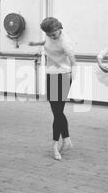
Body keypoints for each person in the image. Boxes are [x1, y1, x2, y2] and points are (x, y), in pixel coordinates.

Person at [29, 17, 76, 161]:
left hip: (62, 76)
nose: (51, 37)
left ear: (59, 28)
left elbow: (73, 61)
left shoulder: (65, 42)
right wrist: (36, 43)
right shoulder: (50, 36)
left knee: (57, 113)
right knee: (57, 112)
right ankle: (66, 140)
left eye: (53, 34)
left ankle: (55, 145)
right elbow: (47, 42)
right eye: (48, 34)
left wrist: (72, 77)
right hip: (50, 75)